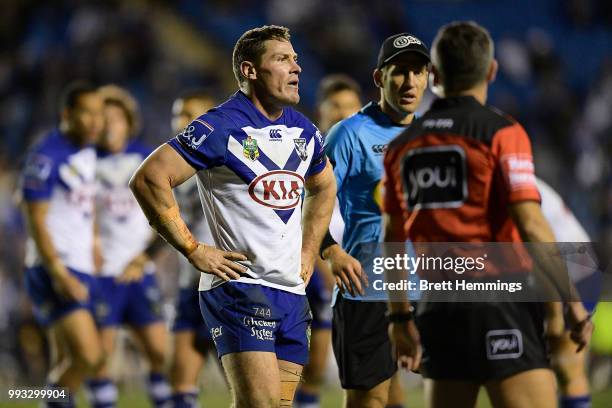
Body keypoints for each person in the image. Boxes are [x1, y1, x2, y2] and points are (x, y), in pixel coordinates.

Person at [382, 21, 593, 408]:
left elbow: (391, 239)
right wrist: (573, 305)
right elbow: (530, 223)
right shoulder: (502, 132)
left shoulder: (401, 147)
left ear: (435, 76)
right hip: (500, 301)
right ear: (492, 70)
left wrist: (399, 319)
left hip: (437, 306)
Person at [129, 25, 336, 407]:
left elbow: (324, 186)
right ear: (249, 70)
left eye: (295, 59)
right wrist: (192, 249)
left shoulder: (303, 130)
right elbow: (149, 179)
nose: (296, 68)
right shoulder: (218, 125)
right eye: (282, 59)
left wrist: (309, 251)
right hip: (241, 289)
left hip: (291, 292)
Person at [319, 33, 430, 408]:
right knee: (371, 401)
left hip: (432, 292)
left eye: (419, 71)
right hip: (368, 290)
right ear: (380, 77)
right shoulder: (349, 134)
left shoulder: (435, 135)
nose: (410, 82)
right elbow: (307, 202)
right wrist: (330, 251)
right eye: (400, 72)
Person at [20, 81, 104, 407]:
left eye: (99, 113)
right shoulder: (46, 155)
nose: (96, 121)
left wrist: (95, 240)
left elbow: (85, 201)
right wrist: (58, 272)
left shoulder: (85, 150)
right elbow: (35, 216)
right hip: (55, 266)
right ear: (67, 114)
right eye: (87, 113)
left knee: (66, 359)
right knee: (90, 356)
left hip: (79, 264)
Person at [87, 85, 171, 408]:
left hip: (139, 270)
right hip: (102, 272)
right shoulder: (86, 161)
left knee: (158, 352)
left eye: (116, 118)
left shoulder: (145, 158)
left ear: (128, 122)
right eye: (103, 118)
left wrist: (146, 256)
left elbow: (164, 213)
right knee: (101, 357)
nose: (109, 125)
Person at [294, 74, 362, 408]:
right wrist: (323, 261)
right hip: (315, 268)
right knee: (310, 366)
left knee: (372, 365)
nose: (343, 113)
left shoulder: (366, 154)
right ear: (320, 110)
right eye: (336, 106)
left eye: (350, 106)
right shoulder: (306, 153)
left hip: (357, 267)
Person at [167, 89, 218, 408]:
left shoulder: (225, 160)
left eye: (190, 115)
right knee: (180, 385)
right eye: (179, 115)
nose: (182, 122)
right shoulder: (174, 166)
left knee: (246, 389)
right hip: (190, 282)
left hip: (225, 282)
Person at [537, 178, 596, 408]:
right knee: (563, 368)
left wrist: (554, 314)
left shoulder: (508, 181)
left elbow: (539, 250)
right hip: (583, 267)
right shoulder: (518, 173)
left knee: (546, 366)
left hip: (571, 272)